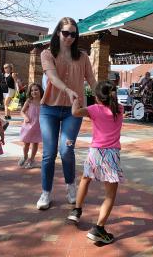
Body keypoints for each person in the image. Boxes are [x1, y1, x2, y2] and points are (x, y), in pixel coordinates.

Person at [37, 17, 96, 210]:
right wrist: (68, 90)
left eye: (73, 34)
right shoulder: (47, 54)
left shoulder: (82, 57)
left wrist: (105, 102)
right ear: (58, 33)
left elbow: (93, 81)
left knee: (66, 150)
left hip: (74, 112)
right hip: (49, 110)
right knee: (49, 153)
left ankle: (71, 187)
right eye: (66, 33)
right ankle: (46, 193)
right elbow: (52, 76)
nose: (69, 37)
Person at [67, 80, 123, 244]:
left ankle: (77, 210)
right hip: (112, 154)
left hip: (95, 152)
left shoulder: (94, 110)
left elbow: (75, 112)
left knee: (86, 179)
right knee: (110, 195)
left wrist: (75, 101)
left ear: (97, 98)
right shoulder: (119, 109)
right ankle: (99, 228)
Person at [19, 83, 43, 169]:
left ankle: (31, 160)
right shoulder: (29, 101)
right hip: (29, 125)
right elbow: (22, 111)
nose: (34, 92)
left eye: (36, 90)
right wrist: (25, 117)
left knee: (35, 143)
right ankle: (25, 156)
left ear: (40, 91)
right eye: (32, 90)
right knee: (26, 143)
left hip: (38, 125)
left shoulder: (43, 101)